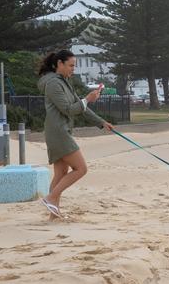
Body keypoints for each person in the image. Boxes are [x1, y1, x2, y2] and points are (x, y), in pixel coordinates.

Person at [37, 50, 114, 219]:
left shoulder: (64, 81)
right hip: (59, 132)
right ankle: (50, 198)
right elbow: (69, 109)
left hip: (59, 131)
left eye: (74, 66)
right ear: (59, 64)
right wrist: (87, 99)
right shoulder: (53, 84)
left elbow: (80, 107)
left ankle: (54, 215)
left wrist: (101, 122)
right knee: (81, 169)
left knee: (60, 174)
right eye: (71, 65)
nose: (73, 69)